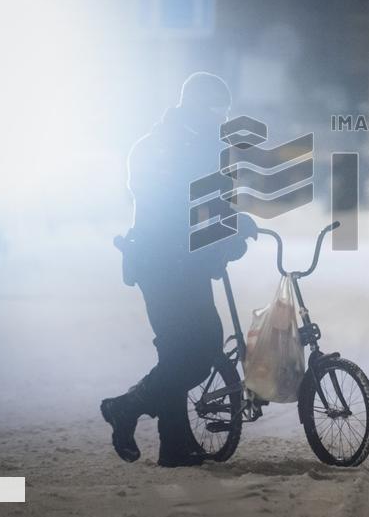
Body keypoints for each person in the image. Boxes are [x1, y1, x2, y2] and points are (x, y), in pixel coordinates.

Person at [101, 72, 252, 467]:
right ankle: (127, 406)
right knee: (199, 351)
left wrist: (235, 225)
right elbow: (176, 208)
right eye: (215, 112)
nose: (220, 120)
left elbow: (214, 203)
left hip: (185, 265)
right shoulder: (160, 148)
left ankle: (174, 445)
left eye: (224, 113)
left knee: (178, 351)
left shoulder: (198, 143)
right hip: (161, 264)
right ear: (195, 107)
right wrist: (223, 232)